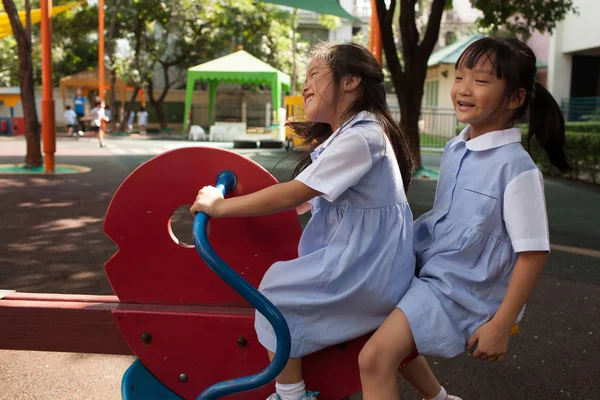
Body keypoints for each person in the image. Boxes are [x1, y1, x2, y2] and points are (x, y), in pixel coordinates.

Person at [190, 42, 415, 400]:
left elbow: (294, 193)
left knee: (276, 294)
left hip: (365, 269)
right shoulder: (355, 133)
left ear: (350, 81)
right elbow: (305, 199)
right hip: (375, 264)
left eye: (314, 74)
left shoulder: (361, 137)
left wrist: (219, 208)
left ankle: (290, 394)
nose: (305, 85)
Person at [359, 36, 571, 400]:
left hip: (465, 289)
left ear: (515, 98)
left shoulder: (516, 169)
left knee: (374, 359)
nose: (463, 89)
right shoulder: (458, 146)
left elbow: (534, 253)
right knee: (369, 314)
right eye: (459, 77)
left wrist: (501, 324)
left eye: (482, 80)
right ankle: (439, 398)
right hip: (435, 268)